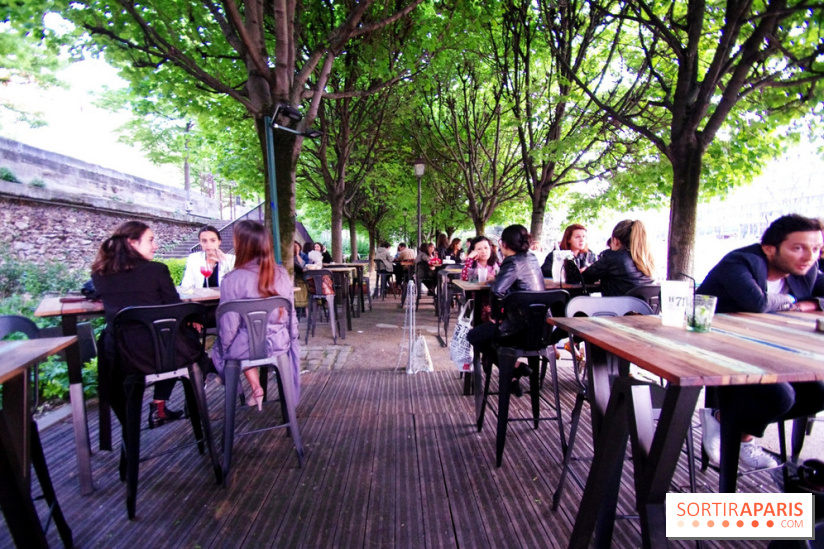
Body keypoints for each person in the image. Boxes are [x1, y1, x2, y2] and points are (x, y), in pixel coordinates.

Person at [697, 213, 824, 469]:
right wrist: (793, 303)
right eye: (798, 248)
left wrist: (811, 303)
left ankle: (730, 426)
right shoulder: (739, 262)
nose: (809, 256)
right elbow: (755, 303)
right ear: (769, 248)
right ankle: (734, 429)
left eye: (816, 249)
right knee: (781, 396)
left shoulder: (803, 271)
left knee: (819, 392)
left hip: (766, 346)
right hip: (713, 345)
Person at [92, 221, 204, 428]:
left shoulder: (100, 274)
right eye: (151, 240)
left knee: (170, 340)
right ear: (132, 242)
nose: (156, 246)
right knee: (187, 345)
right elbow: (174, 308)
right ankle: (187, 415)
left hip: (122, 358)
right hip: (162, 354)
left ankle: (130, 434)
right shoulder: (157, 270)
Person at [212, 220, 301, 409]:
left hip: (245, 348)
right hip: (279, 343)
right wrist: (292, 340)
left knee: (224, 347)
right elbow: (291, 316)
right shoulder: (282, 274)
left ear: (241, 245)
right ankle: (262, 391)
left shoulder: (231, 280)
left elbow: (229, 328)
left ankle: (249, 388)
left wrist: (222, 351)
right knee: (242, 340)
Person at [466, 225, 544, 397]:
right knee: (492, 339)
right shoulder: (531, 258)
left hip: (519, 328)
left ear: (503, 244)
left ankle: (513, 370)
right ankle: (513, 374)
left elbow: (497, 291)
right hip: (540, 330)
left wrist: (496, 316)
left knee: (475, 336)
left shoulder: (512, 261)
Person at [580, 219, 655, 296]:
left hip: (617, 307)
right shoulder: (647, 260)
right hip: (644, 307)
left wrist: (585, 269)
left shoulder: (612, 257)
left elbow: (585, 278)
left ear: (615, 241)